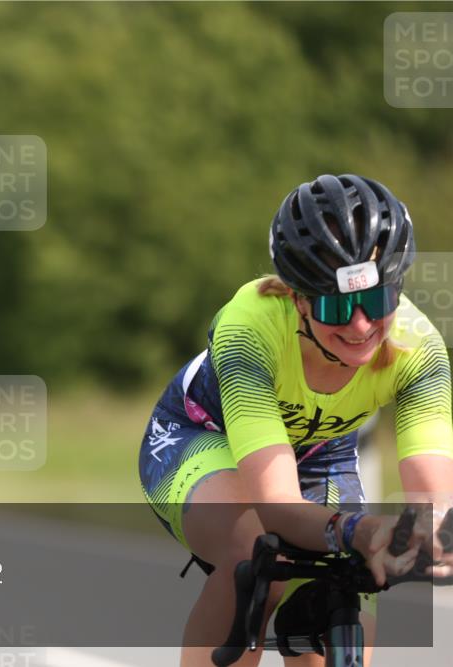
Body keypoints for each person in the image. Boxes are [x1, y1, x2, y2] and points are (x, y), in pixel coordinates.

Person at [138, 174, 453, 666]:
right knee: (255, 554)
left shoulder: (419, 349)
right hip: (202, 439)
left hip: (320, 455)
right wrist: (362, 531)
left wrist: (432, 532)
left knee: (346, 592)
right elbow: (278, 507)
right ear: (297, 297)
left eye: (376, 301)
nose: (361, 325)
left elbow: (434, 493)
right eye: (336, 305)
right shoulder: (250, 328)